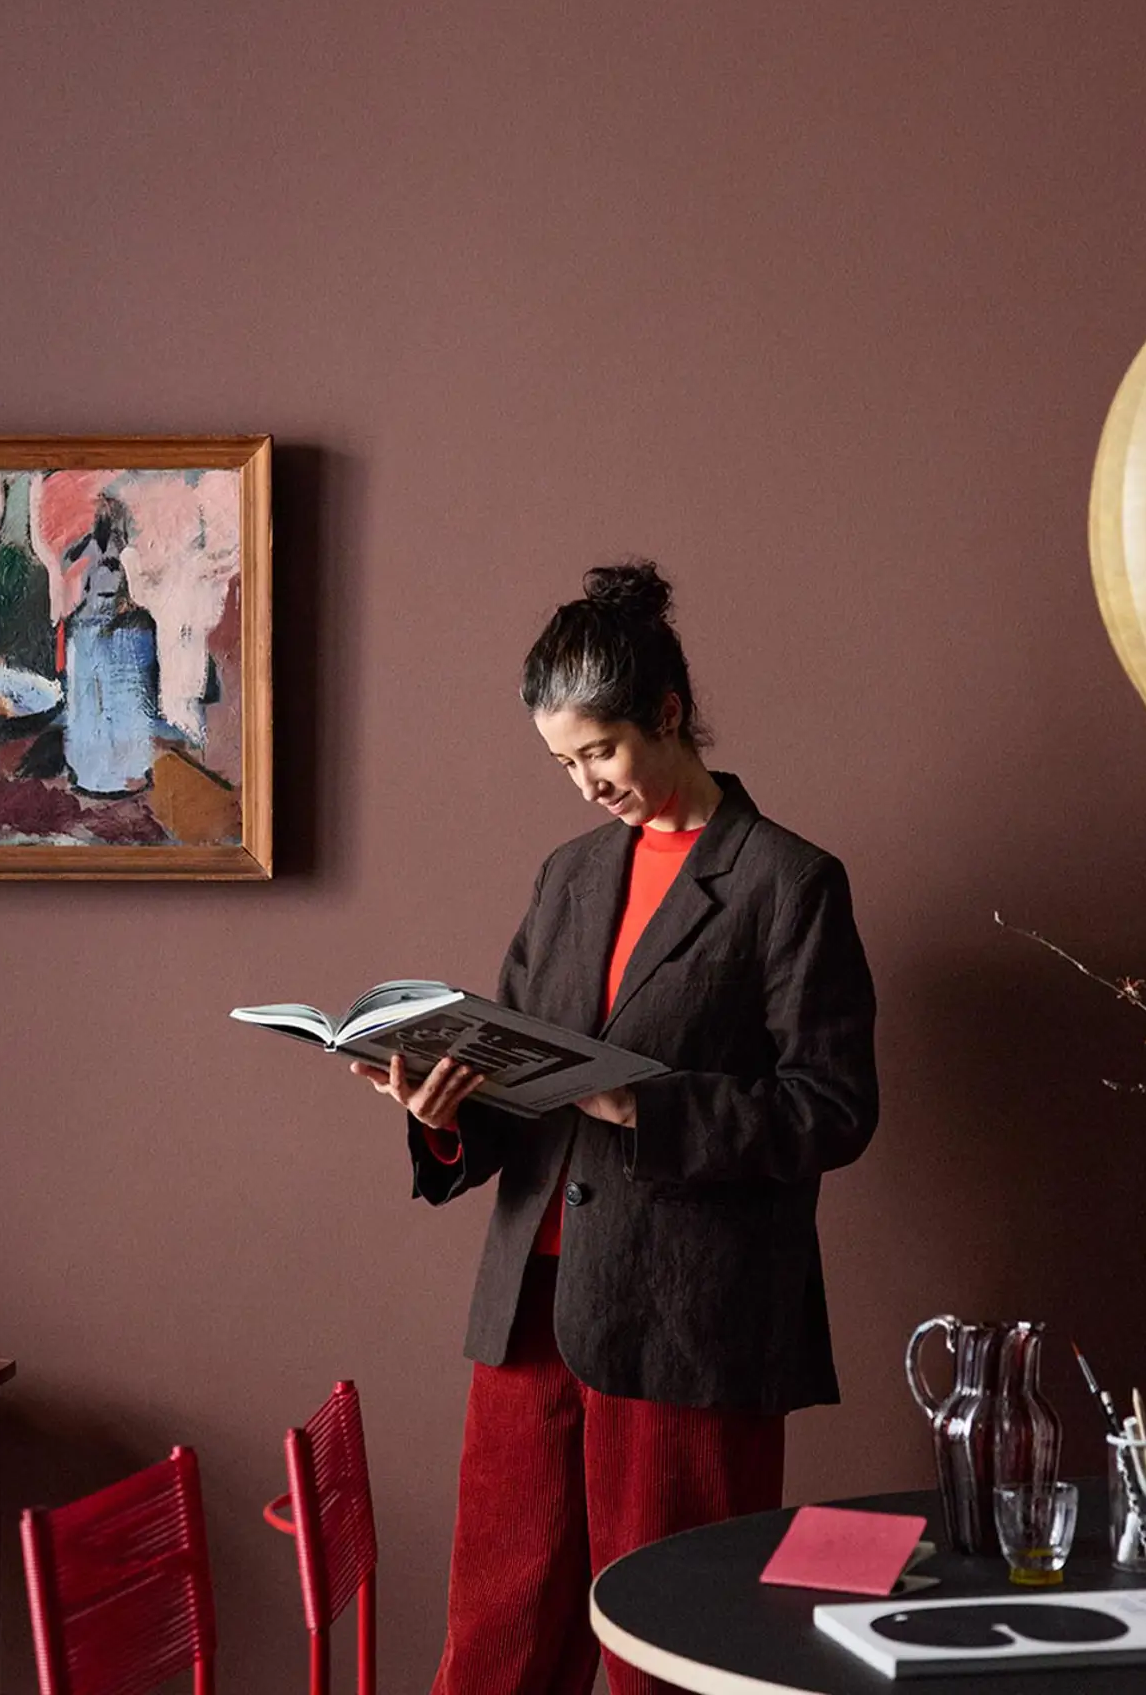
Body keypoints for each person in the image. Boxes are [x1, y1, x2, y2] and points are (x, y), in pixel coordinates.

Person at [351, 561, 878, 1695]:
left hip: (684, 1316)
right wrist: (443, 1110)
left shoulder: (788, 883)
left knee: (672, 1644)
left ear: (669, 716)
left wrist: (645, 1099)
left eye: (599, 752)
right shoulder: (569, 875)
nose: (586, 784)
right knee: (495, 1641)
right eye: (563, 763)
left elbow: (831, 1109)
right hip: (530, 1305)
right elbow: (510, 1063)